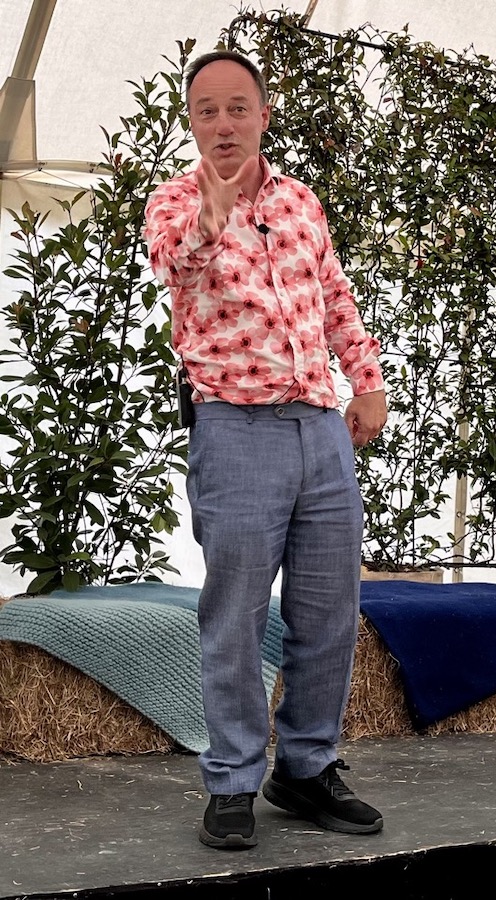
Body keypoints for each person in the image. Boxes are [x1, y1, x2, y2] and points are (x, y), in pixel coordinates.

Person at [143, 49, 388, 850]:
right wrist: (212, 216)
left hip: (319, 427)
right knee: (237, 617)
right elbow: (177, 260)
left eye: (237, 108)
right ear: (190, 121)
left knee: (329, 612)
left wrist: (369, 380)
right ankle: (234, 778)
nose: (223, 124)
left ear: (263, 114)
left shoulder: (300, 201)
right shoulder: (175, 204)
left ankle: (307, 769)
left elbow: (335, 293)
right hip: (234, 427)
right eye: (207, 110)